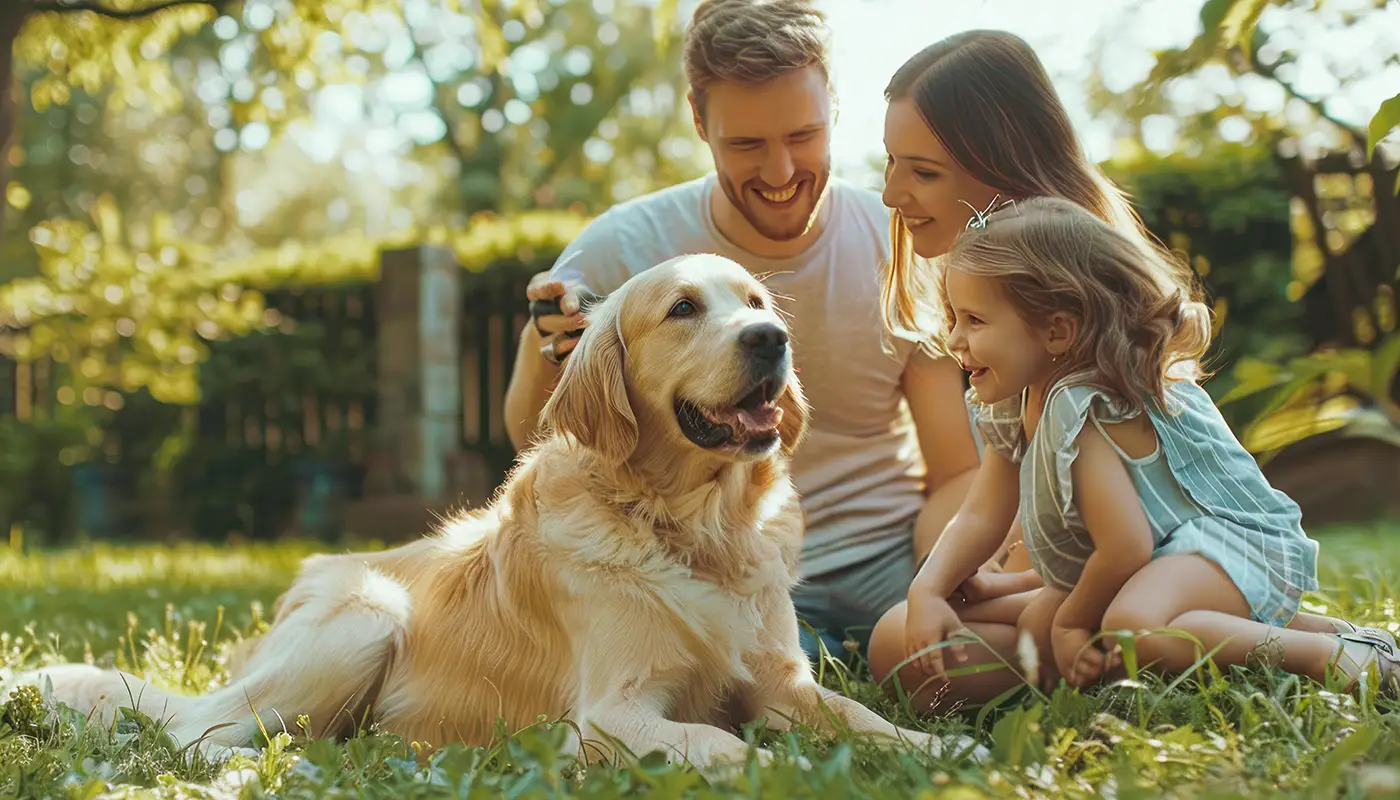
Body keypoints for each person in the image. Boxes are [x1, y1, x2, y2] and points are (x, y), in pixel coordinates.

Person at [502, 0, 989, 661]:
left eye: (802, 136)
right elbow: (538, 438)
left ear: (835, 110)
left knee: (999, 647)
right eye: (747, 145)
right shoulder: (623, 248)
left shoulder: (894, 243)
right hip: (714, 571)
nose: (782, 173)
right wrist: (544, 345)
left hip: (892, 558)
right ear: (700, 122)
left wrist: (940, 583)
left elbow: (956, 468)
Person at [875, 195, 1400, 706]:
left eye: (974, 320)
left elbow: (1126, 546)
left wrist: (1070, 620)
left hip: (1226, 544)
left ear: (1056, 331)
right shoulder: (1016, 400)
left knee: (1131, 627)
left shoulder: (1083, 407)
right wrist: (931, 591)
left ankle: (1332, 655)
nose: (954, 340)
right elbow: (980, 514)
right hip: (1155, 559)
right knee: (929, 636)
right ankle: (1301, 634)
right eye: (954, 318)